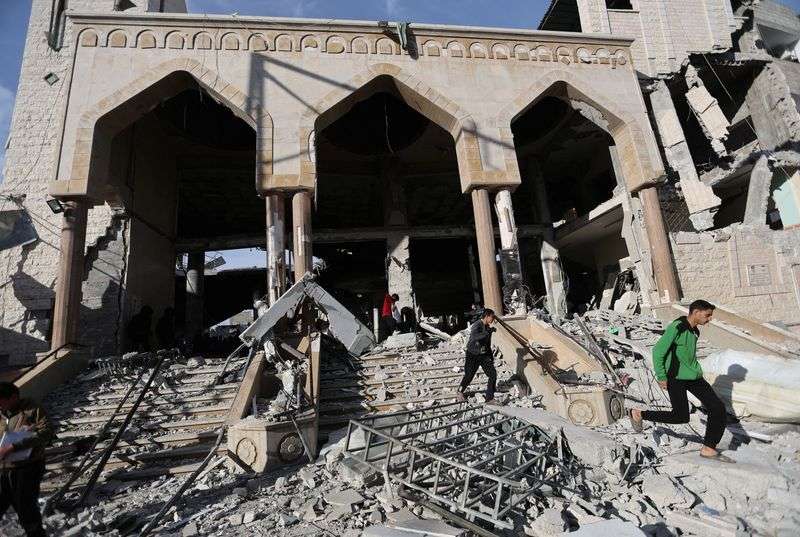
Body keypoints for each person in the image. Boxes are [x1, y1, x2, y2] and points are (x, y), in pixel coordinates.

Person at [629, 300, 733, 462]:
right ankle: (639, 413)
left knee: (717, 408)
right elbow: (658, 351)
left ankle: (708, 448)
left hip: (694, 376)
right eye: (707, 315)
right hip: (675, 377)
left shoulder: (695, 331)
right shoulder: (677, 327)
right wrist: (662, 376)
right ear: (696, 312)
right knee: (680, 416)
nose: (709, 319)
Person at [0, 382, 53, 537]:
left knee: (26, 509)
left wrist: (14, 447)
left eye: (1, 401)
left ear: (13, 397)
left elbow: (46, 432)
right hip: (2, 469)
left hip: (27, 468)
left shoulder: (32, 410)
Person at [457, 308, 498, 405]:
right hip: (473, 354)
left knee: (493, 374)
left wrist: (490, 356)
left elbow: (487, 343)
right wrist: (488, 332)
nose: (493, 319)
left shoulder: (487, 327)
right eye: (492, 317)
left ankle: (489, 398)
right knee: (469, 375)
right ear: (487, 316)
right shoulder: (477, 324)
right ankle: (460, 391)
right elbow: (475, 336)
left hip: (484, 355)